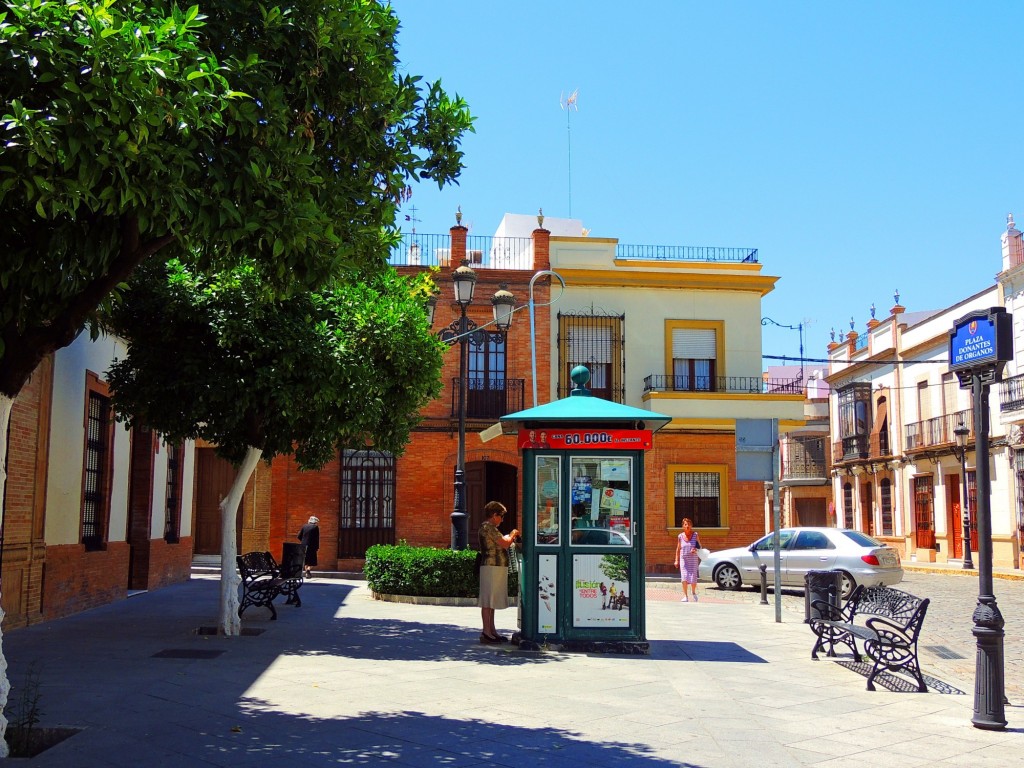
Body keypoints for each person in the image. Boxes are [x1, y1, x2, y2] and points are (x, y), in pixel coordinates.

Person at [477, 500, 519, 644]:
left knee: (492, 600)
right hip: (491, 566)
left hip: (495, 567)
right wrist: (513, 534)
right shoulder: (488, 527)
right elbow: (505, 543)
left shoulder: (490, 528)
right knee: (488, 600)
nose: (502, 519)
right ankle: (486, 632)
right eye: (501, 516)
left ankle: (492, 631)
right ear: (494, 515)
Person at [673, 517, 701, 602]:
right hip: (684, 559)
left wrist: (696, 549)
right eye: (685, 524)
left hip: (693, 559)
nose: (687, 526)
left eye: (689, 524)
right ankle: (685, 596)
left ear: (691, 525)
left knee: (693, 577)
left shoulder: (695, 535)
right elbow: (678, 549)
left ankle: (693, 592)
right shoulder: (680, 536)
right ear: (683, 526)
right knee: (684, 577)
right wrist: (676, 560)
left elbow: (699, 546)